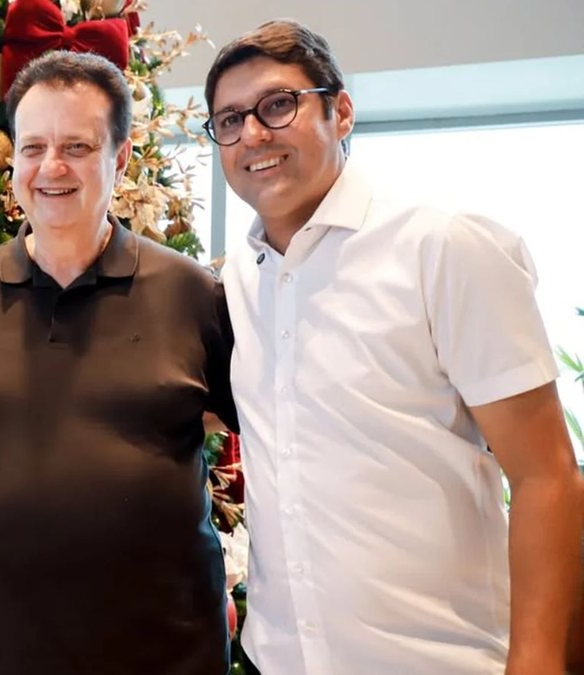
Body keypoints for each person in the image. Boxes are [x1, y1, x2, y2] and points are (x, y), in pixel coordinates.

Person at [205, 19, 583, 675]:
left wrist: (538, 662)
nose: (254, 134)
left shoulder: (444, 248)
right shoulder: (239, 281)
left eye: (278, 105)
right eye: (230, 120)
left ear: (341, 111)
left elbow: (546, 475)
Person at [0, 50, 239, 674]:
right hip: (4, 656)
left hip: (167, 657)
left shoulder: (191, 293)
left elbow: (275, 441)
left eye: (77, 147)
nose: (51, 167)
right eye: (33, 147)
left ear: (120, 158)